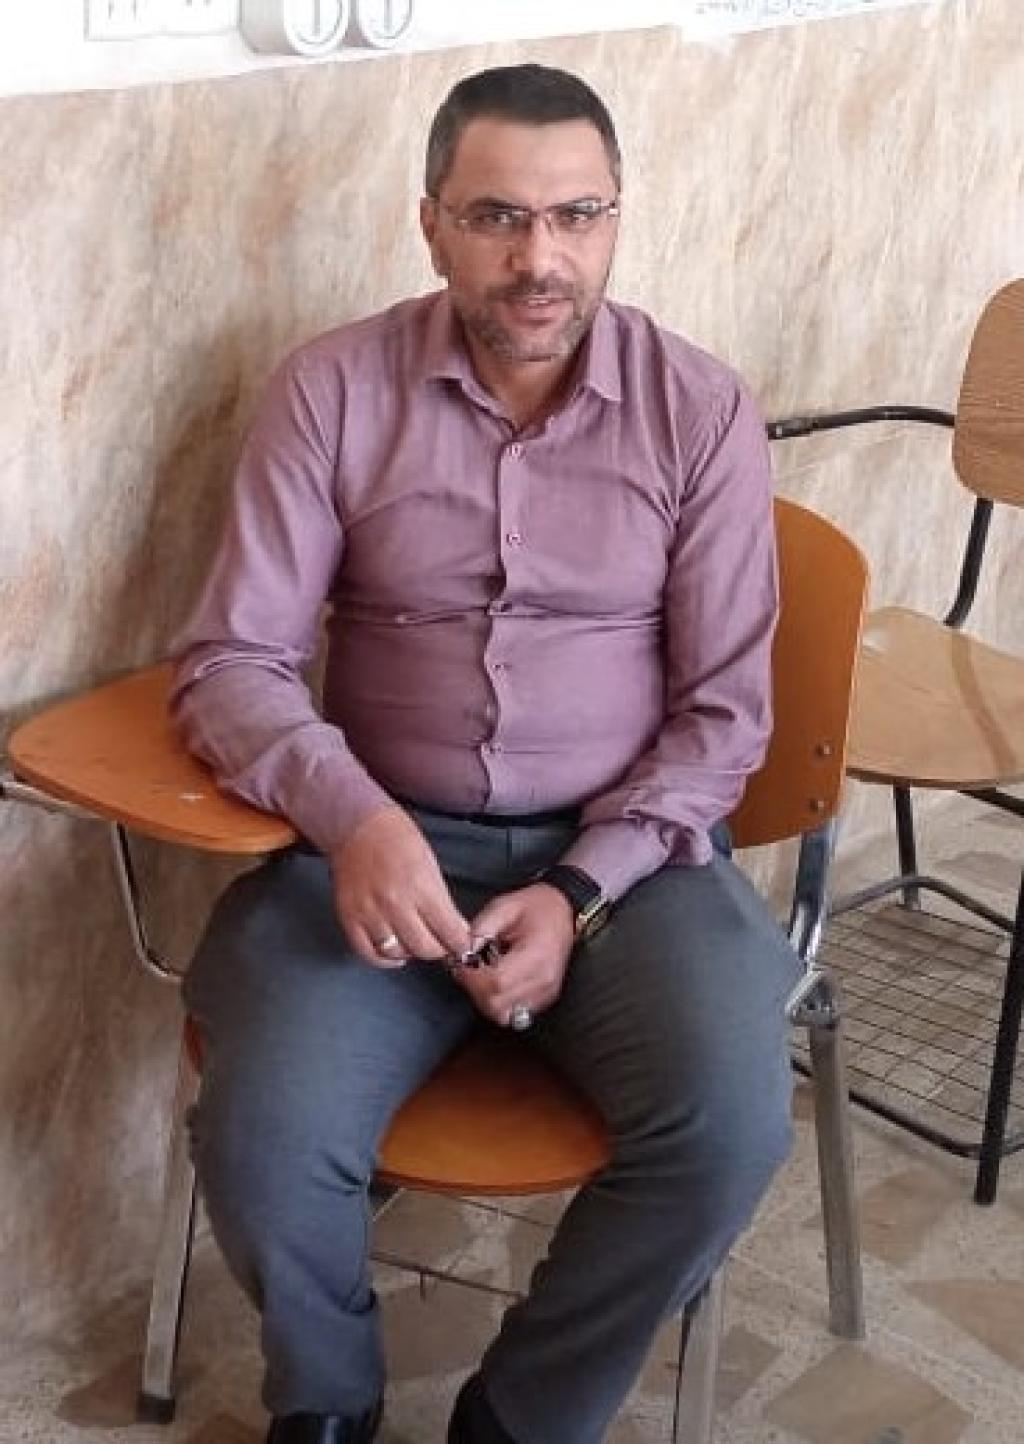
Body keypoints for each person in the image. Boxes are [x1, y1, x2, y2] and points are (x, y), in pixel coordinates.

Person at [172, 62, 800, 1444]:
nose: (541, 258)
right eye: (498, 216)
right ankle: (328, 1403)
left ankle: (520, 1419)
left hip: (629, 866)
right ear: (432, 225)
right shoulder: (332, 389)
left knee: (731, 1124)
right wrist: (355, 818)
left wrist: (581, 889)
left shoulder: (698, 408)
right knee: (262, 1126)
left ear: (617, 216)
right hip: (378, 850)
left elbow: (723, 715)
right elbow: (231, 664)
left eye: (578, 214)